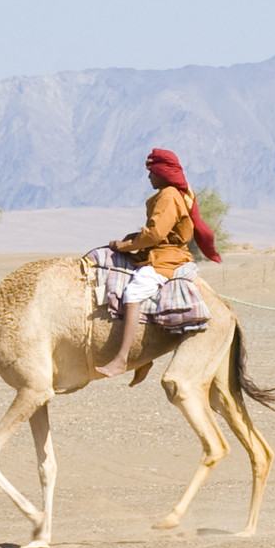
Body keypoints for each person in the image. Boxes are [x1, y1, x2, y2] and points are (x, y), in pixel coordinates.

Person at [92, 146, 222, 378]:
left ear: (162, 172)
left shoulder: (168, 196)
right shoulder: (174, 194)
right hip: (160, 252)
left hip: (166, 258)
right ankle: (143, 353)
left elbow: (155, 235)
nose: (149, 176)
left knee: (133, 293)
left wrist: (123, 246)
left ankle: (122, 359)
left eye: (152, 171)